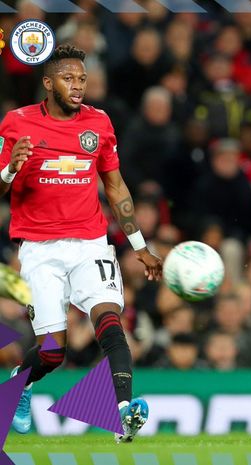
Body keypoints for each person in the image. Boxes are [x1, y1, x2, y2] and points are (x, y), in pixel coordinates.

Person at [0, 45, 163, 443]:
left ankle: (125, 410)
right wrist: (9, 169)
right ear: (48, 82)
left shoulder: (99, 123)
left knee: (109, 318)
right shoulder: (16, 123)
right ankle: (21, 380)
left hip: (91, 241)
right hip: (40, 249)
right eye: (69, 79)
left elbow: (115, 185)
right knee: (54, 351)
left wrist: (138, 243)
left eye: (83, 79)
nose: (78, 86)